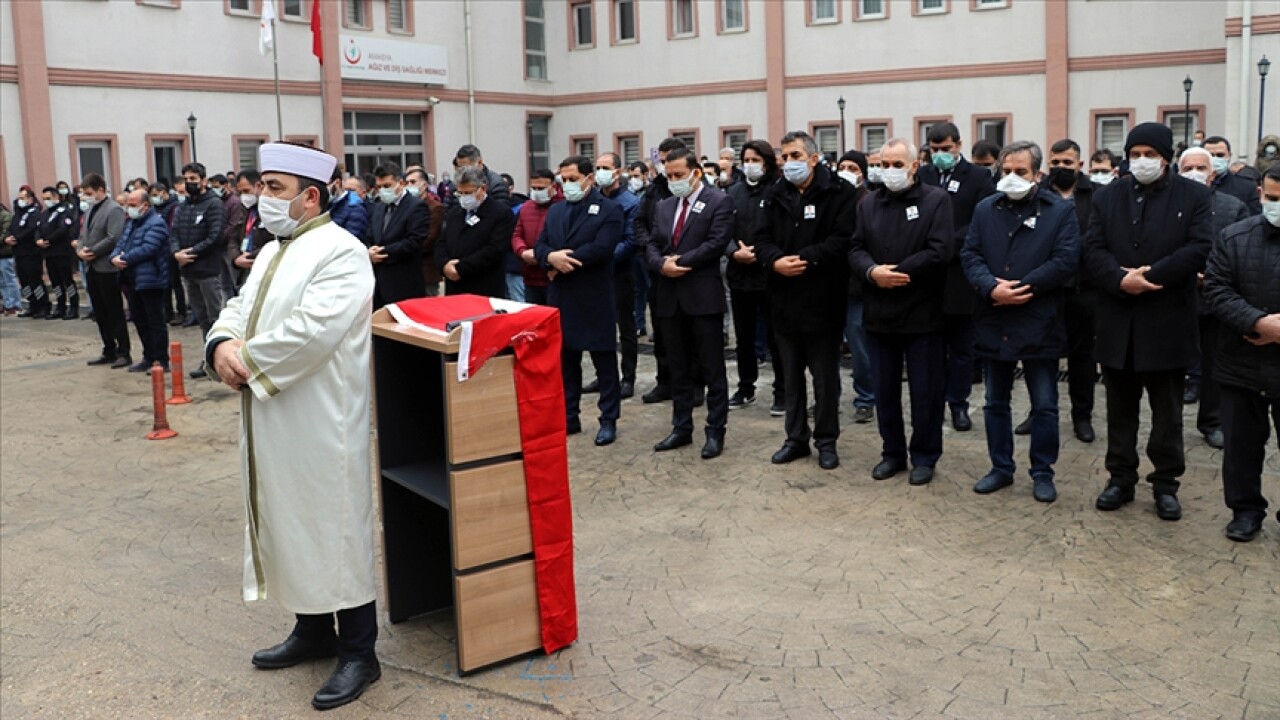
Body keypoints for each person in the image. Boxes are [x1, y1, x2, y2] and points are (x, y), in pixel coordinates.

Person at [205, 143, 380, 711]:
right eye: (260, 186)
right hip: (273, 410)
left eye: (275, 188)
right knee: (288, 520)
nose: (263, 198)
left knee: (334, 526)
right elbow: (239, 307)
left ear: (311, 196)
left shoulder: (342, 252)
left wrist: (245, 361)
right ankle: (312, 630)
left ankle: (359, 651)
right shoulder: (278, 248)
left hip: (321, 419)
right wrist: (221, 344)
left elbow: (312, 332)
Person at [1083, 123, 1213, 521]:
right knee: (1120, 409)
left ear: (1165, 157)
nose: (1141, 161)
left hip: (1167, 320)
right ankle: (1120, 478)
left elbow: (1199, 247)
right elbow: (1093, 247)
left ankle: (1165, 483)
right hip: (1118, 320)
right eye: (1134, 153)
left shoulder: (1193, 196)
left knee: (1167, 413)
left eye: (1149, 154)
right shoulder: (1107, 197)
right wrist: (1121, 279)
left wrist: (1151, 275)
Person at [962, 141, 1081, 503]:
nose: (1012, 178)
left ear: (1037, 174)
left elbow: (1065, 260)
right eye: (1006, 171)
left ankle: (1042, 472)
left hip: (1038, 318)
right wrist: (989, 287)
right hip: (993, 317)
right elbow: (970, 253)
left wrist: (1022, 287)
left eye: (1021, 172)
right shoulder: (985, 208)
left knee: (1044, 403)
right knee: (995, 401)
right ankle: (1001, 468)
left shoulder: (1059, 211)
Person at [848, 139, 954, 485]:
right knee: (885, 388)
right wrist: (872, 272)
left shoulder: (936, 200)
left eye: (896, 164)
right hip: (879, 310)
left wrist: (900, 271)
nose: (888, 171)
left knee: (925, 390)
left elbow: (940, 250)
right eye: (883, 164)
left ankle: (924, 455)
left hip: (921, 310)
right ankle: (891, 453)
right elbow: (856, 247)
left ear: (913, 166)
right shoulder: (869, 203)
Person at [754, 131, 857, 471]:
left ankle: (826, 440)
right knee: (790, 375)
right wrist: (774, 261)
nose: (789, 163)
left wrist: (806, 259)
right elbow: (761, 237)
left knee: (825, 377)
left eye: (796, 155)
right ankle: (795, 438)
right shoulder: (774, 193)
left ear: (813, 158)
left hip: (822, 298)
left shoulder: (840, 192)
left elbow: (842, 239)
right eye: (785, 156)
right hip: (782, 298)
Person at [1203, 164, 1280, 541]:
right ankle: (1246, 511)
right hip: (1240, 362)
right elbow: (1216, 289)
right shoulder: (1234, 236)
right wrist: (1257, 323)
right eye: (1272, 198)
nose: (1276, 206)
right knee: (1241, 446)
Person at [645, 147, 735, 459]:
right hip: (670, 298)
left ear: (695, 172)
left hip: (703, 297)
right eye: (669, 176)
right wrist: (661, 265)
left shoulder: (719, 202)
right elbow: (654, 243)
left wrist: (680, 261)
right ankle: (681, 428)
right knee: (678, 368)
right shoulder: (664, 206)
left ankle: (715, 431)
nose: (674, 181)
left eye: (679, 175)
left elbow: (717, 243)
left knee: (712, 369)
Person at [534, 155, 624, 446]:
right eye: (565, 180)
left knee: (604, 360)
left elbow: (602, 247)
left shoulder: (609, 209)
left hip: (593, 293)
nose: (568, 185)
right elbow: (541, 244)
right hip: (561, 295)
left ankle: (608, 419)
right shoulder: (557, 211)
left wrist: (563, 260)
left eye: (573, 179)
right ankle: (569, 416)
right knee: (566, 360)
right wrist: (549, 257)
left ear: (589, 178)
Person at [1013, 138, 1099, 443]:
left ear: (1080, 165)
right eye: (1056, 163)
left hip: (1083, 289)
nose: (1061, 168)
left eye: (1067, 163)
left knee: (1082, 357)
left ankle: (1082, 417)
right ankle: (1038, 412)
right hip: (1045, 289)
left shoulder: (1096, 195)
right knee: (1038, 355)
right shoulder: (1035, 193)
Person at [917, 122, 997, 433]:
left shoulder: (978, 177)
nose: (940, 155)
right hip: (927, 277)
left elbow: (983, 220)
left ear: (958, 145)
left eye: (946, 149)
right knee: (931, 350)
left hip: (961, 275)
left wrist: (943, 244)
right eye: (934, 150)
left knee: (962, 349)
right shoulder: (922, 175)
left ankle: (959, 404)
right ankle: (933, 403)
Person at [1178, 146, 1251, 449]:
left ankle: (1212, 421)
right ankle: (1167, 424)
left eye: (1200, 167)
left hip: (1212, 300)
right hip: (1173, 297)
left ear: (1212, 173)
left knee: (1212, 365)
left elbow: (1244, 250)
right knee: (1170, 365)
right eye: (1188, 167)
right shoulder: (1167, 205)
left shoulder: (1232, 207)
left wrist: (1213, 276)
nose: (1195, 172)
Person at [726, 139, 785, 414]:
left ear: (767, 162)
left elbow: (783, 231)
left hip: (769, 275)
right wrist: (733, 251)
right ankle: (745, 387)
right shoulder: (733, 192)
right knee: (745, 337)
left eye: (755, 160)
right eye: (746, 160)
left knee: (776, 337)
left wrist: (763, 254)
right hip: (740, 274)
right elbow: (722, 230)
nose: (750, 165)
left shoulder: (778, 191)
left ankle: (782, 391)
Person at [635, 138, 688, 404]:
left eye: (671, 160)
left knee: (692, 334)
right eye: (663, 161)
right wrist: (652, 251)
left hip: (689, 269)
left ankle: (695, 384)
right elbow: (640, 223)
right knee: (663, 330)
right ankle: (665, 381)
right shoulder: (655, 189)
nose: (666, 166)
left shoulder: (700, 190)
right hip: (658, 269)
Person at [591, 151, 642, 399]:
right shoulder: (593, 199)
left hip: (620, 271)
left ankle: (628, 377)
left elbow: (631, 240)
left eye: (605, 167)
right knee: (599, 325)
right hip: (595, 272)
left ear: (617, 172)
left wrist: (605, 258)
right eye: (597, 166)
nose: (600, 171)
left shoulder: (630, 202)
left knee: (626, 325)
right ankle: (603, 375)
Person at [172, 162, 227, 377]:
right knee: (202, 318)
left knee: (215, 318)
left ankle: (221, 360)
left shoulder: (214, 204)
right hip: (189, 271)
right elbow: (174, 232)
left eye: (193, 179)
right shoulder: (184, 206)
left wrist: (191, 253)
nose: (189, 184)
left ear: (204, 181)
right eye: (186, 179)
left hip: (207, 270)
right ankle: (209, 359)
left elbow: (215, 237)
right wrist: (176, 253)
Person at [112, 189, 171, 371]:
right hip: (132, 279)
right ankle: (148, 356)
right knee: (139, 320)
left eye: (133, 205)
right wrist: (114, 257)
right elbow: (121, 243)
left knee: (155, 322)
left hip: (151, 279)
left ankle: (161, 360)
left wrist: (125, 259)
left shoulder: (157, 223)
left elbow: (149, 248)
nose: (129, 209)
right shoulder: (132, 223)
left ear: (145, 205)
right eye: (128, 205)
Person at [837, 149, 875, 424]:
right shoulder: (833, 199)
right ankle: (828, 396)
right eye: (843, 166)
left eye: (853, 167)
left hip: (856, 286)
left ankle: (866, 397)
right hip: (831, 285)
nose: (847, 171)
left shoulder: (868, 201)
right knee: (829, 347)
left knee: (859, 345)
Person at [77, 174, 131, 367]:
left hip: (106, 268)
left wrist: (92, 251)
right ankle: (108, 349)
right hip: (91, 267)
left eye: (89, 193)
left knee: (114, 311)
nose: (86, 197)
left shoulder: (113, 209)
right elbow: (83, 234)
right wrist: (80, 250)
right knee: (100, 312)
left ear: (101, 189)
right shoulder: (90, 209)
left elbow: (113, 237)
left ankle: (123, 351)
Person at [436, 165, 514, 298]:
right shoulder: (454, 213)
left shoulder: (500, 213)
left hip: (484, 287)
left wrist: (460, 268)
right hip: (454, 288)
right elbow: (441, 243)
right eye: (460, 193)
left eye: (468, 193)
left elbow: (494, 250)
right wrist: (444, 265)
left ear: (483, 189)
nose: (464, 197)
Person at [364, 162, 428, 308]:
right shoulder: (379, 207)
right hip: (378, 284)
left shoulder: (416, 207)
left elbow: (414, 241)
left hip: (403, 284)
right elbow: (369, 235)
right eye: (379, 187)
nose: (382, 190)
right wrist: (368, 251)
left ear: (400, 183)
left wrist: (382, 252)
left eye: (387, 186)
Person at [511, 169, 560, 305]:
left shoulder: (562, 206)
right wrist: (522, 251)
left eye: (541, 188)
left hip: (553, 275)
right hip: (530, 275)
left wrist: (542, 256)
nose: (537, 191)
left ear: (553, 187)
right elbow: (517, 234)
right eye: (534, 188)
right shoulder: (526, 207)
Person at [6, 187, 48, 318]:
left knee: (35, 280)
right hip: (19, 253)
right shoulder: (18, 214)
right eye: (19, 198)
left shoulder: (35, 213)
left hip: (32, 252)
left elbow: (31, 230)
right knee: (24, 281)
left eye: (23, 198)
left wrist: (17, 238)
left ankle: (43, 306)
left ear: (30, 199)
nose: (20, 201)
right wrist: (7, 237)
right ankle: (32, 304)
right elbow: (11, 228)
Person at [38, 186, 78, 319]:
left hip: (62, 252)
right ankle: (60, 307)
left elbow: (63, 229)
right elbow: (38, 229)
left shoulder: (65, 212)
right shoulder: (44, 214)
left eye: (48, 198)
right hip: (49, 253)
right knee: (55, 282)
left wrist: (48, 240)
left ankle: (73, 307)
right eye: (44, 199)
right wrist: (38, 239)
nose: (46, 201)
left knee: (67, 281)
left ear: (56, 197)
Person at [403, 168, 444, 296]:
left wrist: (404, 247)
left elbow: (430, 238)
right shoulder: (405, 207)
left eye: (413, 182)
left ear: (425, 185)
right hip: (407, 269)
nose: (409, 186)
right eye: (407, 183)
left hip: (426, 270)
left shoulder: (435, 208)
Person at [1202, 136, 1263, 215]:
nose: (1215, 159)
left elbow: (1254, 219)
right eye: (1210, 155)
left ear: (1229, 156)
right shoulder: (1193, 184)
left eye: (1220, 155)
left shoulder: (1247, 187)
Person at [448, 144, 510, 209]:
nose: (463, 172)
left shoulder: (496, 184)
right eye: (460, 168)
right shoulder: (455, 185)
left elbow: (501, 213)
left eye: (467, 167)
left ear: (479, 163)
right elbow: (449, 212)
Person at [327, 167, 369, 239]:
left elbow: (352, 240)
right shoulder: (328, 205)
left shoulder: (355, 208)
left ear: (337, 183)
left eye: (326, 184)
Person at [0, 200, 17, 315]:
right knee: (1, 282)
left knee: (9, 280)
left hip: (5, 252)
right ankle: (7, 304)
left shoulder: (5, 215)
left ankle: (14, 304)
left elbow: (5, 234)